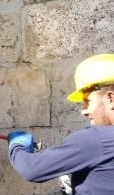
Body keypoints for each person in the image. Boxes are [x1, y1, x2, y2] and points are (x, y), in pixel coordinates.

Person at [7, 53, 114, 194]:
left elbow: (31, 169)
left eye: (88, 101)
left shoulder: (97, 140)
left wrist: (16, 145)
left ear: (111, 98)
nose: (84, 111)